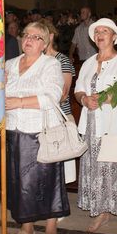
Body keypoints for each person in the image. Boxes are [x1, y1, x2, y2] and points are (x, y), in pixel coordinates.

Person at [75, 18, 117, 234]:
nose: (100, 35)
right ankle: (103, 211)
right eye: (97, 32)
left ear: (114, 36)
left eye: (105, 31)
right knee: (97, 168)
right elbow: (78, 90)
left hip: (115, 125)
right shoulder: (87, 63)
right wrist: (84, 99)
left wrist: (103, 98)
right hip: (92, 125)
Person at [5, 21, 68, 234]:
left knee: (46, 182)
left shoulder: (49, 64)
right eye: (26, 35)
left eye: (36, 37)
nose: (29, 39)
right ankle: (27, 227)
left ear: (45, 43)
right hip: (14, 131)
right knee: (20, 183)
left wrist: (19, 102)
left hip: (41, 134)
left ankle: (51, 229)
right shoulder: (9, 64)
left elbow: (53, 96)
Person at [42, 19, 77, 184]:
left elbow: (63, 94)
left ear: (50, 36)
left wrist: (37, 99)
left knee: (60, 169)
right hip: (39, 117)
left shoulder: (61, 60)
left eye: (39, 36)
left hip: (59, 117)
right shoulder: (33, 60)